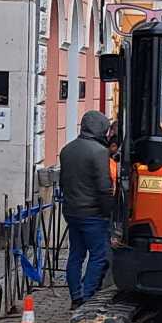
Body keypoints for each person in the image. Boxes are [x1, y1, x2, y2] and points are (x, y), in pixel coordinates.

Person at [59, 110, 115, 308]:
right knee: (98, 255)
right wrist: (109, 211)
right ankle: (87, 296)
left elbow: (63, 182)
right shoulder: (99, 152)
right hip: (93, 213)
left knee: (76, 254)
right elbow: (103, 187)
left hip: (72, 211)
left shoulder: (67, 150)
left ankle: (75, 295)